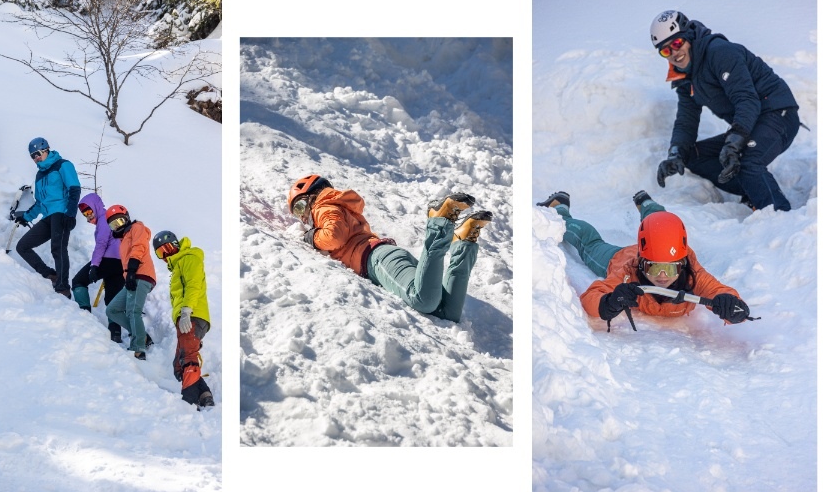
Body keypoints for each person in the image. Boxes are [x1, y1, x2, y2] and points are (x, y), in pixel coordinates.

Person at [287, 174, 493, 323]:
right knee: (448, 313)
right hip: (386, 255)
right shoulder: (336, 207)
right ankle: (464, 241)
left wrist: (311, 236)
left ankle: (439, 220)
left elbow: (333, 237)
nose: (303, 217)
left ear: (312, 196)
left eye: (300, 208)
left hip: (375, 259)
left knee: (422, 300)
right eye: (297, 214)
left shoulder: (323, 206)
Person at [650, 10, 801, 212]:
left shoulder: (719, 52)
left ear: (689, 38)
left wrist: (735, 141)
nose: (674, 53)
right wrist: (676, 153)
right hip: (752, 122)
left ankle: (778, 215)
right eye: (665, 51)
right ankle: (754, 190)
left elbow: (746, 99)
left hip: (778, 114)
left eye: (676, 44)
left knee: (748, 162)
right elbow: (687, 119)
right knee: (691, 156)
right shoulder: (684, 76)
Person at [537, 190, 751, 329]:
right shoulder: (627, 272)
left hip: (654, 244)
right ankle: (560, 211)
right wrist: (609, 302)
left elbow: (720, 291)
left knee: (660, 223)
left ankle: (646, 203)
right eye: (654, 267)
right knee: (590, 242)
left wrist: (732, 306)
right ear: (642, 264)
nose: (662, 277)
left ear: (683, 264)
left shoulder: (694, 275)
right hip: (618, 257)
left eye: (670, 269)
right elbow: (592, 298)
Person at [152, 230, 215, 409]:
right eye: (160, 253)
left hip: (193, 315)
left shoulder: (189, 258)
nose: (165, 255)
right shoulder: (179, 265)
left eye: (167, 248)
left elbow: (193, 285)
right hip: (186, 318)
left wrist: (187, 310)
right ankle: (204, 395)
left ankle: (188, 402)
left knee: (187, 357)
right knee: (179, 364)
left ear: (176, 245)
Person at [14, 137, 80, 298]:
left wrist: (70, 213)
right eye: (32, 156)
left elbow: (74, 189)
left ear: (46, 150)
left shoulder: (63, 165)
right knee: (22, 246)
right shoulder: (39, 174)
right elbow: (40, 202)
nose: (36, 158)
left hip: (61, 213)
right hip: (47, 216)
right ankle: (51, 275)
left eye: (37, 153)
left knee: (58, 248)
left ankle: (63, 287)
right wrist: (26, 217)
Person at [70, 192, 125, 343]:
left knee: (78, 281)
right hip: (121, 263)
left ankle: (85, 317)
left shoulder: (104, 219)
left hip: (108, 260)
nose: (88, 216)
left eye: (89, 211)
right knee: (112, 298)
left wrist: (94, 266)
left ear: (96, 207)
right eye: (85, 214)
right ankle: (115, 334)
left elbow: (101, 244)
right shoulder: (110, 218)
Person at [104, 204, 156, 360]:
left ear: (126, 218)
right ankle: (142, 336)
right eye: (114, 224)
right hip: (132, 277)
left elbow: (139, 247)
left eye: (120, 221)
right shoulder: (123, 238)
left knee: (133, 311)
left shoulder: (136, 228)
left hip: (141, 274)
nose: (118, 226)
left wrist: (132, 270)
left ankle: (138, 348)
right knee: (112, 310)